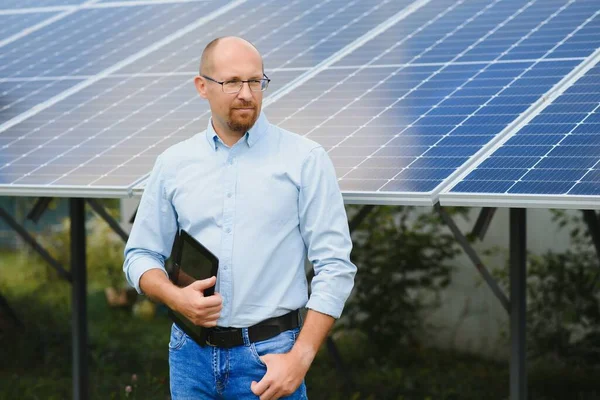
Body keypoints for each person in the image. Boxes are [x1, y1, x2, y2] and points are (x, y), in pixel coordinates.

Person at [123, 36, 357, 400]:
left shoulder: (305, 159)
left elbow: (335, 267)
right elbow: (139, 255)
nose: (247, 93)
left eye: (255, 81)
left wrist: (300, 358)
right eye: (232, 82)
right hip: (189, 357)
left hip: (269, 359)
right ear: (202, 87)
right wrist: (176, 297)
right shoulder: (173, 164)